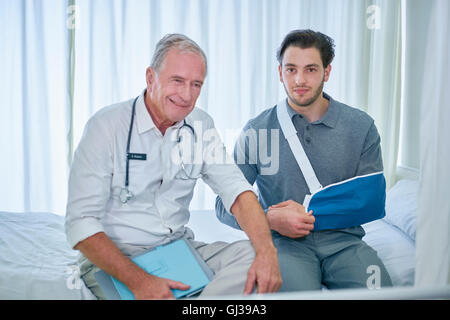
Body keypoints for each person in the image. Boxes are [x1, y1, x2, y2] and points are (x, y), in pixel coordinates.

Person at [65, 33, 281, 300]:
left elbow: (237, 192)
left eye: (196, 85)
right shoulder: (106, 126)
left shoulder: (201, 125)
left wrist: (268, 252)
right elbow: (81, 224)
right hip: (117, 258)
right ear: (150, 78)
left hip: (177, 251)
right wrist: (141, 282)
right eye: (177, 81)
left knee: (253, 256)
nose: (186, 95)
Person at [216, 29, 392, 291]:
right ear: (280, 73)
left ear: (327, 72)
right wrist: (269, 220)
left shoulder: (361, 127)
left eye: (310, 69)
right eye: (290, 69)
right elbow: (223, 206)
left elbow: (370, 202)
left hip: (346, 243)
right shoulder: (257, 131)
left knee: (381, 293)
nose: (299, 79)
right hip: (285, 246)